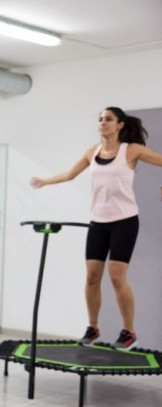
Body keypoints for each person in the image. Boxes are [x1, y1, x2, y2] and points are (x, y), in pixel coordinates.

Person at [30, 106, 162, 351]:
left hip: (125, 221)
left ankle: (129, 332)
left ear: (120, 124)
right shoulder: (93, 152)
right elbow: (70, 174)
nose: (102, 122)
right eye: (100, 119)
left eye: (108, 119)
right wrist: (44, 182)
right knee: (91, 277)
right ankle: (93, 328)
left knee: (116, 277)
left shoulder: (131, 150)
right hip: (98, 221)